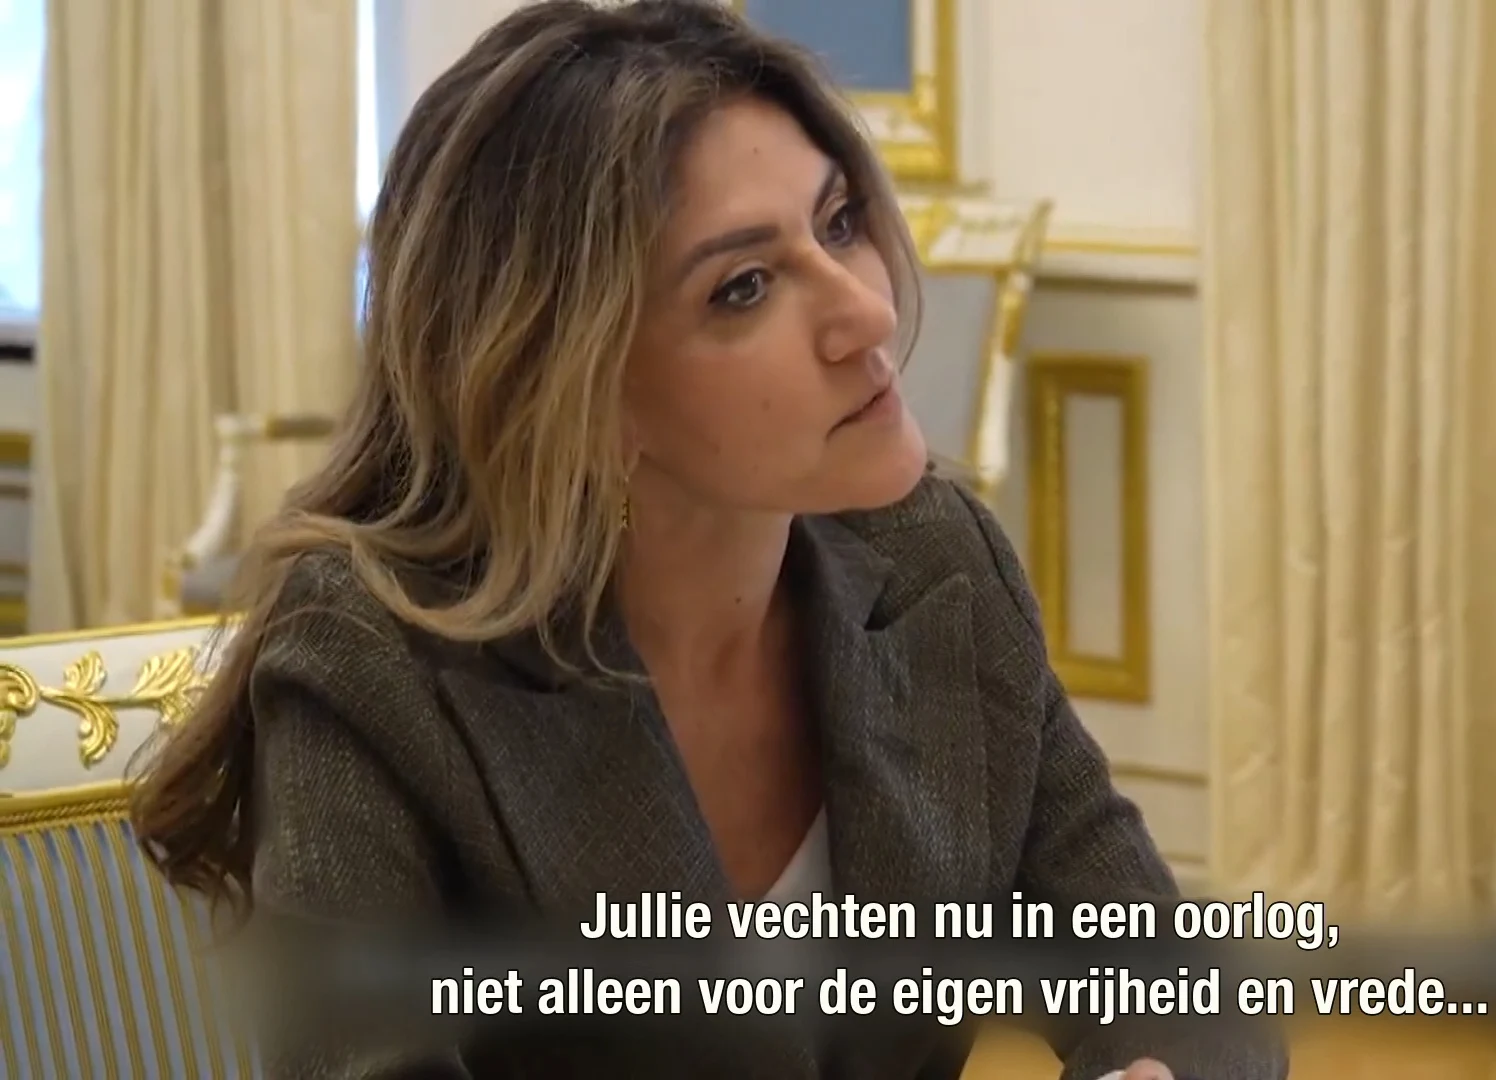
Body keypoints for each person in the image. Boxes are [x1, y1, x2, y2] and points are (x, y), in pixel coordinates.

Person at [126, 4, 1285, 1078]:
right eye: (744, 287)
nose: (868, 313)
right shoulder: (373, 665)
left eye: (840, 222)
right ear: (573, 387)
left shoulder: (937, 564)